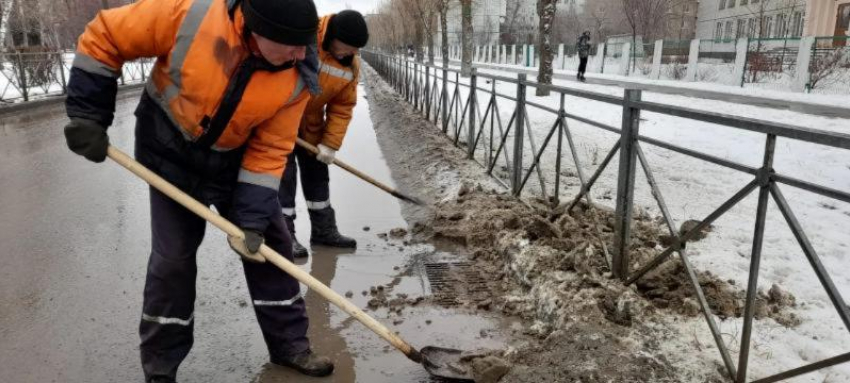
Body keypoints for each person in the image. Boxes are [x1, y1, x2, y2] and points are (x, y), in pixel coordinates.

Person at [61, 0, 334, 381]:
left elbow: (270, 148)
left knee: (270, 249)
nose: (301, 52)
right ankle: (161, 367)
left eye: (304, 43)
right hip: (168, 151)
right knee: (172, 260)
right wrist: (88, 115)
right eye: (290, 44)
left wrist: (252, 221)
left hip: (234, 163)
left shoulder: (297, 74)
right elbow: (105, 35)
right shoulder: (189, 14)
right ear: (257, 31)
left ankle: (290, 345)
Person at [278, 10, 368, 258]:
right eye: (349, 47)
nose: (353, 53)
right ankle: (284, 237)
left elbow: (342, 107)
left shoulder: (350, 65)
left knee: (318, 177)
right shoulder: (303, 34)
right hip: (278, 121)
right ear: (333, 37)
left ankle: (324, 231)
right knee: (282, 180)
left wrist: (330, 144)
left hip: (311, 128)